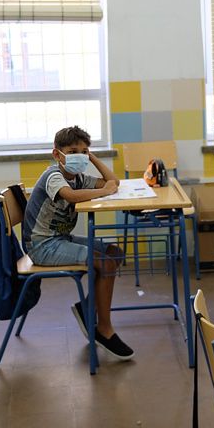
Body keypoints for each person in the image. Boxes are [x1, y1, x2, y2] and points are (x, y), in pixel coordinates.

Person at [22, 125, 132, 360]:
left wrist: (91, 157)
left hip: (60, 239)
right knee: (106, 263)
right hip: (42, 246)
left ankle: (86, 308)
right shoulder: (53, 175)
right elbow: (71, 196)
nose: (79, 156)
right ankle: (104, 329)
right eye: (73, 151)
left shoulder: (79, 177)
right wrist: (104, 192)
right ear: (57, 154)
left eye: (84, 151)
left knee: (114, 253)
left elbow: (113, 182)